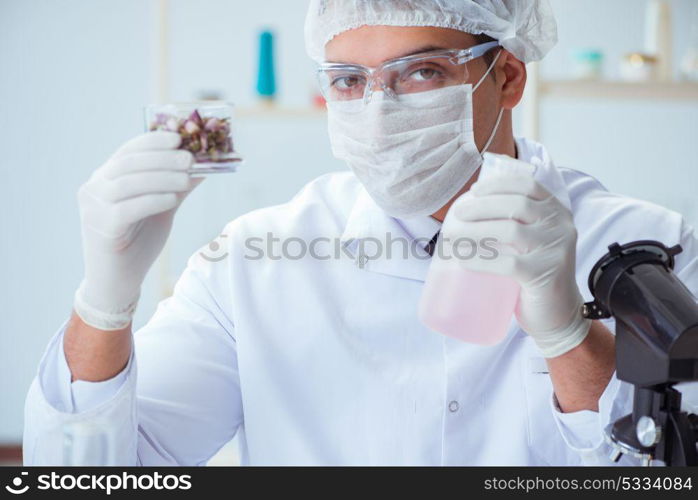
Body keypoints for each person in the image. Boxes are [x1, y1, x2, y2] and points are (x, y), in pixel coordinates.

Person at [24, 0, 698, 465]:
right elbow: (95, 469)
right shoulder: (252, 261)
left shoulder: (650, 247)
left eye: (422, 71)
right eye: (348, 81)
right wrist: (104, 301)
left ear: (509, 76)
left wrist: (568, 336)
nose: (380, 110)